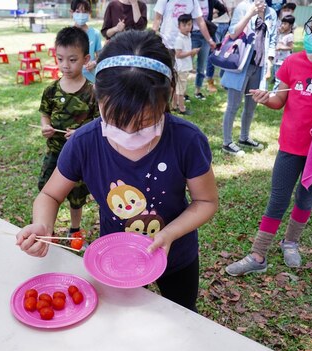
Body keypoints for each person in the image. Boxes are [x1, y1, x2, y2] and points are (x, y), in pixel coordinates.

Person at [17, 30, 219, 312]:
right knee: (122, 319)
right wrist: (43, 225)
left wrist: (170, 233)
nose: (128, 132)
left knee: (180, 315)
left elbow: (206, 201)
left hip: (175, 257)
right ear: (97, 97)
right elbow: (50, 195)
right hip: (115, 259)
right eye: (115, 120)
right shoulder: (84, 143)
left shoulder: (186, 140)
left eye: (144, 122)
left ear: (168, 98)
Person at [225, 0, 312, 276]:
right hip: (290, 147)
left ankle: (290, 242)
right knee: (277, 199)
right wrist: (267, 99)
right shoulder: (294, 61)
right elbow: (280, 100)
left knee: (305, 199)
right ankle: (258, 254)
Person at [38, 27, 99, 237]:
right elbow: (45, 112)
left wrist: (81, 134)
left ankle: (75, 228)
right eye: (60, 58)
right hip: (55, 152)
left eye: (72, 59)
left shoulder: (92, 92)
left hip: (79, 156)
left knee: (77, 195)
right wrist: (45, 126)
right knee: (48, 191)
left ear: (85, 58)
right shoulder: (51, 90)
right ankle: (48, 229)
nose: (65, 65)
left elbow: (99, 122)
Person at [220, 0, 277, 156]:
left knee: (251, 106)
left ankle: (244, 137)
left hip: (259, 65)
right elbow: (232, 33)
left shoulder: (271, 13)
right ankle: (227, 142)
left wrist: (269, 64)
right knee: (233, 104)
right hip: (240, 64)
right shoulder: (243, 6)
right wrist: (250, 13)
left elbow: (272, 40)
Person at [152, 0, 219, 102]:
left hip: (184, 44)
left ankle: (175, 104)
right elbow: (157, 19)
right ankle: (163, 102)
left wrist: (209, 40)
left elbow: (200, 21)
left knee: (180, 76)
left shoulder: (192, 1)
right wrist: (152, 37)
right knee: (166, 74)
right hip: (167, 43)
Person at [206, 0, 238, 94]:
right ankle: (210, 81)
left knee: (226, 53)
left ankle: (224, 80)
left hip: (228, 25)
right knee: (213, 53)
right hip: (215, 25)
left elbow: (229, 10)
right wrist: (213, 15)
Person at [174, 14, 201, 115]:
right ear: (179, 26)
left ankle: (174, 106)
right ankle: (182, 109)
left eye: (189, 24)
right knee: (181, 90)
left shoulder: (188, 36)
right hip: (181, 69)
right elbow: (178, 54)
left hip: (184, 67)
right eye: (184, 25)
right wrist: (192, 52)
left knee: (178, 88)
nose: (187, 27)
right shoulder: (179, 39)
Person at [71, 0, 102, 83]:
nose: (81, 14)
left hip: (91, 78)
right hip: (72, 77)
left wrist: (94, 63)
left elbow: (100, 55)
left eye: (84, 12)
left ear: (89, 13)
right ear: (72, 12)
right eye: (78, 11)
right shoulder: (68, 33)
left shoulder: (95, 33)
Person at [272, 14, 295, 91]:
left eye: (285, 24)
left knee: (278, 80)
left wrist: (281, 47)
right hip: (277, 60)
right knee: (276, 78)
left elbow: (291, 47)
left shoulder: (290, 36)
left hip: (282, 61)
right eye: (282, 23)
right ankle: (275, 93)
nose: (282, 25)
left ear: (290, 25)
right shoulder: (281, 34)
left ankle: (274, 94)